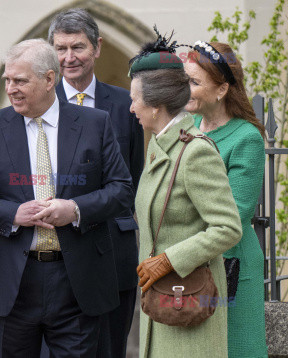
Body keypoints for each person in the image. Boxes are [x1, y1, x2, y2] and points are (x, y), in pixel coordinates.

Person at [0, 38, 134, 357]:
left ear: (49, 79)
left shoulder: (94, 124)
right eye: (8, 80)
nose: (11, 89)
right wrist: (12, 214)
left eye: (20, 80)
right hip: (12, 283)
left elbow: (121, 190)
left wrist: (75, 209)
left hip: (78, 281)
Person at [129, 31, 242, 357]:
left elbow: (228, 227)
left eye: (135, 98)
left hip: (189, 304)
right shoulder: (160, 147)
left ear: (156, 105)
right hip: (163, 306)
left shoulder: (195, 153)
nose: (131, 107)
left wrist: (168, 260)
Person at [48, 9, 144, 357]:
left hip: (111, 250)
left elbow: (132, 176)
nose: (68, 58)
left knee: (110, 348)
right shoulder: (42, 104)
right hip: (56, 252)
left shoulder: (125, 105)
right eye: (60, 49)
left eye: (78, 47)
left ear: (97, 48)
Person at [185, 41, 268, 358]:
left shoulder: (245, 137)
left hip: (231, 264)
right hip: (192, 259)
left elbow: (235, 212)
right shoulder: (188, 128)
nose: (185, 89)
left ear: (221, 90)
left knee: (234, 348)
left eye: (194, 82)